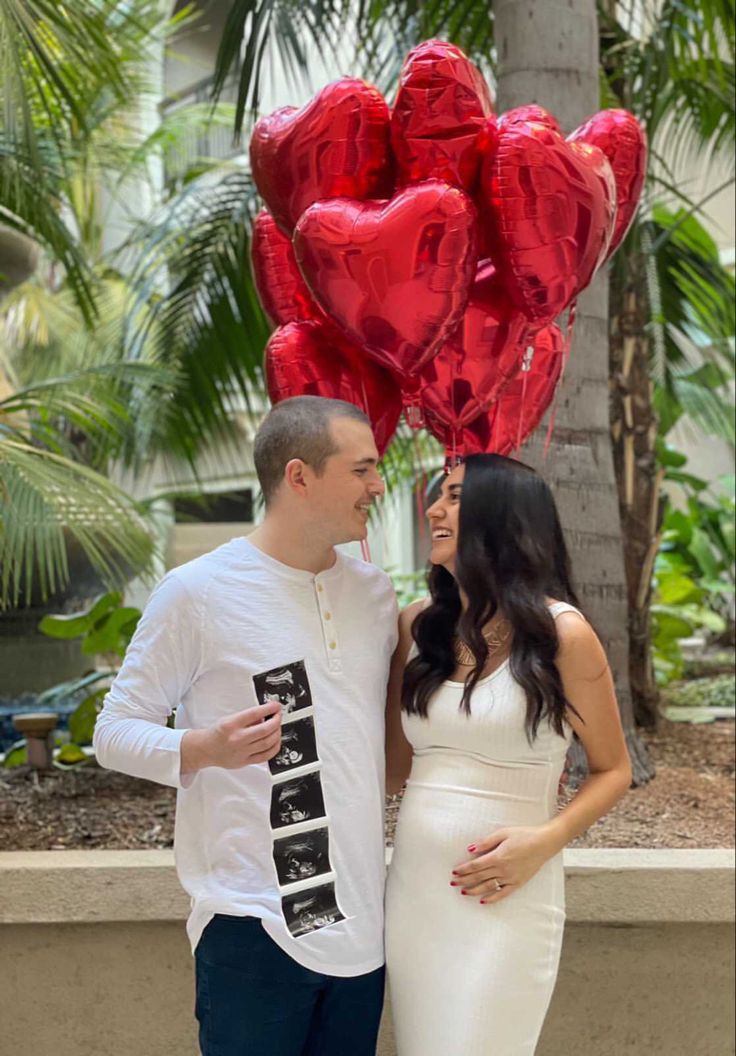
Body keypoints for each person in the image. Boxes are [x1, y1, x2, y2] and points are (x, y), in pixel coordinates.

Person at [93, 395, 397, 1056]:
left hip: (362, 933)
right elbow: (113, 732)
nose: (378, 485)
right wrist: (203, 748)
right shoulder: (197, 592)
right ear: (299, 477)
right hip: (254, 926)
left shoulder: (374, 595)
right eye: (362, 469)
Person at [384, 454, 632, 1056]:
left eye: (454, 497)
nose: (434, 509)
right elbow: (391, 769)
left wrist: (542, 843)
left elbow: (614, 770)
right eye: (438, 496)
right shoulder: (415, 627)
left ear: (504, 518)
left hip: (508, 895)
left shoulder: (561, 635)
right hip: (415, 895)